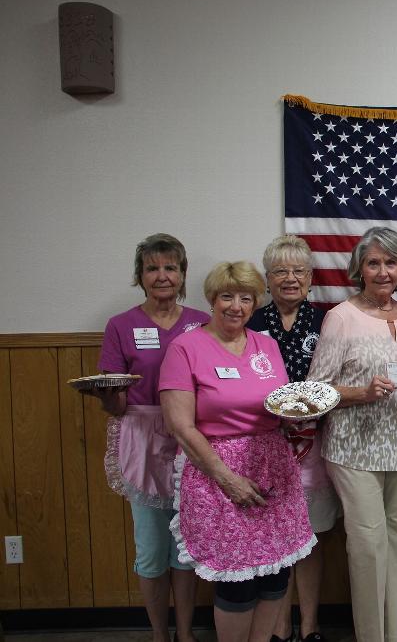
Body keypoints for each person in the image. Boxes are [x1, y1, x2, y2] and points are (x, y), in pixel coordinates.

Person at [160, 262, 316, 642]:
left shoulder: (267, 345)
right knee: (237, 581)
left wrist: (300, 413)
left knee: (276, 575)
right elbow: (180, 426)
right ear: (212, 299)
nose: (236, 305)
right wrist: (227, 479)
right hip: (216, 473)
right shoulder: (186, 348)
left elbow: (276, 405)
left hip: (273, 467)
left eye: (246, 297)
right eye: (227, 296)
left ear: (255, 302)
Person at [306, 227, 397, 642]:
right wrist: (361, 392)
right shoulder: (341, 318)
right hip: (354, 451)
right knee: (369, 548)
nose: (382, 271)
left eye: (390, 262)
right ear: (359, 269)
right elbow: (314, 392)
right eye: (373, 262)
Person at [93, 233, 207, 642]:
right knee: (151, 548)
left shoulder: (201, 322)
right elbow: (115, 404)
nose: (162, 276)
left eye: (170, 267)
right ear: (140, 276)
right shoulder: (121, 325)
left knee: (186, 546)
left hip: (191, 437)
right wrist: (108, 397)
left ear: (182, 274)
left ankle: (186, 633)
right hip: (141, 437)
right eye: (152, 268)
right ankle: (160, 635)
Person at [246, 235, 339, 642]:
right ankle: (279, 630)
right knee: (275, 536)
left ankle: (311, 626)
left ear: (310, 277)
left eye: (298, 271)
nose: (290, 278)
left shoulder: (327, 321)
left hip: (316, 442)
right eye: (281, 271)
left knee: (312, 535)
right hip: (265, 443)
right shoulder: (250, 323)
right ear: (267, 279)